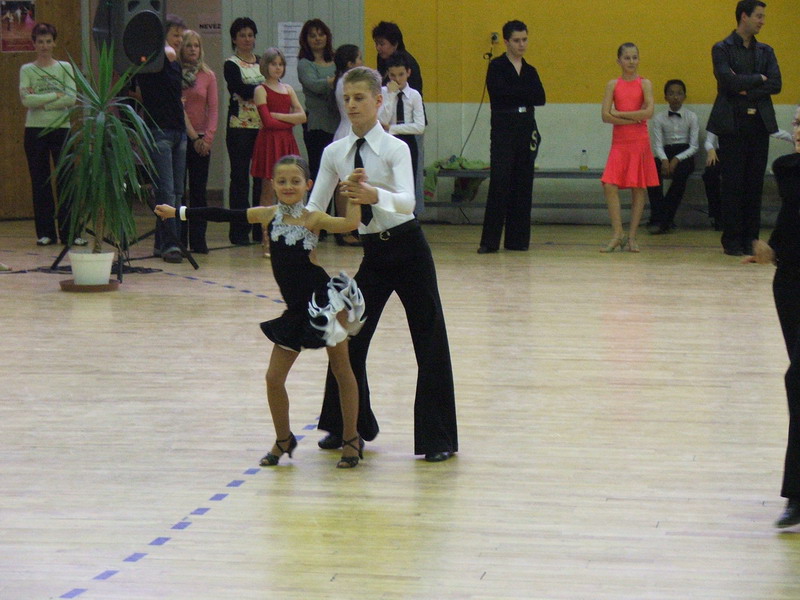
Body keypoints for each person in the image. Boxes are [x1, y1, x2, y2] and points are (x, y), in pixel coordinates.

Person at [155, 155, 366, 468]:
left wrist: (355, 195)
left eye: (295, 181)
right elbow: (225, 214)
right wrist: (179, 212)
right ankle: (283, 439)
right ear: (273, 185)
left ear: (307, 185)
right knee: (273, 378)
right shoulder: (268, 215)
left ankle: (350, 439)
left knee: (341, 369)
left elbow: (349, 224)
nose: (288, 186)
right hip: (295, 310)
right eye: (282, 181)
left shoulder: (313, 218)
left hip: (323, 304)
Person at [306, 66, 458, 462]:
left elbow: (408, 201)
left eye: (360, 98)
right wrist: (298, 232)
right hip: (374, 255)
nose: (352, 105)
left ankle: (437, 439)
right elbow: (314, 209)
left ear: (378, 101)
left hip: (409, 250)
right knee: (347, 336)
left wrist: (374, 195)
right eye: (347, 99)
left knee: (429, 340)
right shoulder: (334, 153)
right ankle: (345, 425)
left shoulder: (395, 148)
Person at [742, 106, 800, 528]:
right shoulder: (788, 169)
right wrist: (773, 250)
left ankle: (796, 493)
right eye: (798, 123)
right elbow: (791, 219)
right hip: (791, 283)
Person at [707, 0, 781, 257]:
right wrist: (758, 79)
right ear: (744, 17)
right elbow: (727, 82)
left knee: (754, 184)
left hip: (759, 124)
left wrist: (745, 88)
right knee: (733, 184)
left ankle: (752, 239)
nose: (762, 21)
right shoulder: (722, 48)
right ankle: (732, 240)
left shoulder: (766, 51)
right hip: (732, 124)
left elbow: (776, 83)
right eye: (759, 16)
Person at [477, 20, 546, 254]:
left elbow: (540, 97)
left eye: (524, 39)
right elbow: (499, 95)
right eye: (517, 40)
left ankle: (518, 240)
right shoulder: (496, 67)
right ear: (506, 42)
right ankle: (489, 242)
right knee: (500, 182)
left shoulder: (530, 70)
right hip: (503, 128)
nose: (521, 44)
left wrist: (517, 94)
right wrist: (524, 94)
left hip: (526, 126)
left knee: (523, 182)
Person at [135, 14, 194, 264]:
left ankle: (163, 243)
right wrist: (163, 50)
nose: (179, 40)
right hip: (159, 132)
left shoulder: (176, 64)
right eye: (175, 35)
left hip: (178, 131)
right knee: (166, 192)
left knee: (178, 193)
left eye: (182, 35)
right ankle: (171, 245)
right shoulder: (152, 62)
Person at [19, 22, 84, 247]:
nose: (44, 46)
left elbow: (71, 98)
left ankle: (70, 233)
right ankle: (46, 233)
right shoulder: (27, 70)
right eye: (40, 42)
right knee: (40, 181)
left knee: (66, 180)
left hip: (61, 130)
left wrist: (42, 102)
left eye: (48, 41)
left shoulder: (65, 67)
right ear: (34, 44)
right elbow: (26, 100)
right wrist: (55, 96)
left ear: (54, 43)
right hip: (34, 130)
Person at [599, 42, 658, 253]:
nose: (631, 61)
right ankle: (618, 234)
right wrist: (633, 118)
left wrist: (620, 114)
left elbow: (648, 112)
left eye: (634, 57)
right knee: (609, 185)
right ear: (619, 61)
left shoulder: (645, 84)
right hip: (620, 142)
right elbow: (605, 116)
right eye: (627, 58)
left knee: (639, 187)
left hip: (639, 141)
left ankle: (632, 236)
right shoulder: (612, 84)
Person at [250, 48, 306, 255]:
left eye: (280, 64)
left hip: (286, 142)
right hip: (270, 142)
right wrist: (289, 120)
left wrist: (279, 116)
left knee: (291, 191)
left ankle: (289, 236)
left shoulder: (288, 89)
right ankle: (267, 238)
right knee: (268, 191)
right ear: (265, 66)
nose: (277, 68)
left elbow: (302, 116)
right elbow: (268, 122)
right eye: (274, 64)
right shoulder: (261, 90)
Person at [372, 21, 426, 216]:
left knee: (411, 177)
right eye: (376, 44)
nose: (379, 48)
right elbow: (382, 115)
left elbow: (416, 117)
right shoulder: (383, 65)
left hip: (408, 130)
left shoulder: (409, 65)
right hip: (389, 133)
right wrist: (390, 95)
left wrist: (392, 127)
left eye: (382, 44)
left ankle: (411, 215)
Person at [703, 127, 794, 231]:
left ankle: (744, 219)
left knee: (743, 180)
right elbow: (708, 141)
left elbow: (773, 131)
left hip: (744, 154)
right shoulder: (721, 118)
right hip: (723, 153)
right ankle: (717, 216)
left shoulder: (753, 119)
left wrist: (793, 138)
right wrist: (710, 150)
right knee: (710, 174)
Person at [224, 17, 265, 246]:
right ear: (234, 39)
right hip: (239, 127)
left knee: (261, 178)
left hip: (262, 127)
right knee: (240, 179)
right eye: (242, 35)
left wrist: (256, 90)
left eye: (250, 35)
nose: (247, 39)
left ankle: (260, 230)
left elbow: (272, 87)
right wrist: (260, 90)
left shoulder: (262, 62)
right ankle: (239, 231)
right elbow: (239, 89)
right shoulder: (231, 64)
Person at [179, 29, 218, 255]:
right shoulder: (174, 73)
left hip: (202, 139)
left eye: (196, 45)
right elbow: (178, 107)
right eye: (188, 45)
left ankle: (198, 240)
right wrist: (193, 137)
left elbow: (213, 109)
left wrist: (208, 139)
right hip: (181, 136)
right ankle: (179, 239)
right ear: (181, 49)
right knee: (179, 191)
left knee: (198, 191)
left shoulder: (208, 75)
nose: (193, 49)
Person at [646, 79, 699, 235]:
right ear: (665, 97)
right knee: (652, 172)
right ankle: (660, 218)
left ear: (684, 96)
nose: (675, 97)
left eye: (679, 93)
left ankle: (661, 219)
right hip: (665, 151)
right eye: (671, 93)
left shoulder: (692, 117)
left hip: (685, 153)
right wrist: (664, 160)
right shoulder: (659, 118)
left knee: (681, 176)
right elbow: (657, 145)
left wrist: (676, 159)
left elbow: (694, 146)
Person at [296, 19, 339, 184]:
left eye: (321, 34)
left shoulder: (336, 59)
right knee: (319, 170)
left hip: (338, 122)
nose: (317, 38)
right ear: (306, 40)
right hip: (316, 125)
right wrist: (334, 80)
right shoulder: (304, 64)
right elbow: (314, 85)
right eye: (312, 36)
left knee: (338, 172)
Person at [332, 43, 363, 247]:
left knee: (348, 182)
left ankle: (348, 227)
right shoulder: (347, 82)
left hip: (349, 130)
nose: (362, 62)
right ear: (350, 63)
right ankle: (343, 230)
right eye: (359, 58)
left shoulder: (344, 80)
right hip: (347, 132)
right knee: (344, 183)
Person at [377, 52, 425, 183]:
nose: (397, 79)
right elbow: (382, 121)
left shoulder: (414, 95)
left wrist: (392, 128)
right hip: (388, 141)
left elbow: (420, 127)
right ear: (388, 74)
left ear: (408, 73)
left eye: (401, 74)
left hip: (408, 141)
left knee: (408, 182)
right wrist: (391, 95)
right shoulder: (383, 92)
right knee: (388, 182)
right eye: (393, 75)